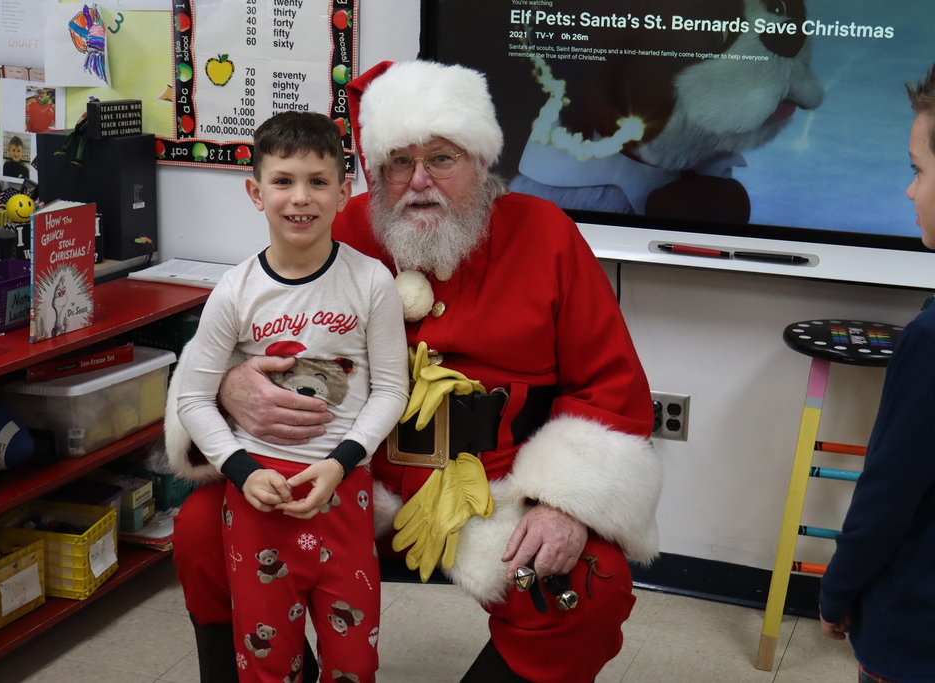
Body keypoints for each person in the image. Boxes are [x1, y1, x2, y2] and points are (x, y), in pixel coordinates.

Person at [168, 60, 663, 683]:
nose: (418, 181)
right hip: (346, 477)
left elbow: (608, 386)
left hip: (495, 492)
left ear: (481, 163)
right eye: (400, 162)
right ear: (375, 173)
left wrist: (564, 502)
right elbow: (245, 319)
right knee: (201, 529)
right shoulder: (340, 229)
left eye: (443, 159)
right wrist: (231, 387)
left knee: (591, 581)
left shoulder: (547, 236)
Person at [172, 111, 409, 683]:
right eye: (283, 181)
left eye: (318, 181)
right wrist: (242, 471)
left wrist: (340, 463)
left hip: (343, 493)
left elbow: (392, 390)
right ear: (256, 192)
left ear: (344, 190)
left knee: (354, 662)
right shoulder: (235, 291)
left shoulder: (372, 280)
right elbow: (193, 399)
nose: (300, 198)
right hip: (257, 500)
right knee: (267, 662)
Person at [819, 63, 935, 683]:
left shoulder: (929, 341)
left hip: (913, 638)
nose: (910, 192)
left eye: (918, 170)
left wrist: (838, 594)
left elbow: (888, 497)